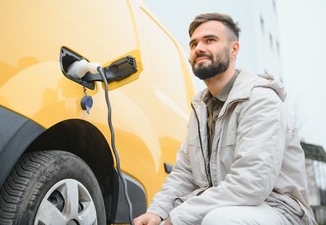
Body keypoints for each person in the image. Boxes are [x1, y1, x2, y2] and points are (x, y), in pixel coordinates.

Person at [134, 13, 317, 225]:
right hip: (226, 206)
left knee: (218, 219)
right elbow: (184, 174)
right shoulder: (201, 108)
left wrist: (176, 218)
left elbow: (250, 184)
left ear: (234, 49)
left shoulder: (260, 101)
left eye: (210, 40)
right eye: (193, 44)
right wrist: (157, 213)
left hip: (280, 211)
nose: (198, 48)